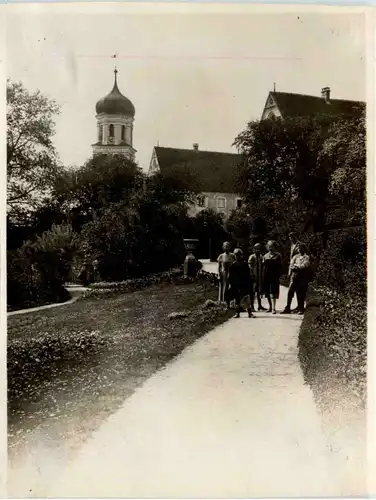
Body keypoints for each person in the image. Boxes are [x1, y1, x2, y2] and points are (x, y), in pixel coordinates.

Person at [282, 242, 311, 315]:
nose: (299, 249)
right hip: (294, 276)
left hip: (302, 276)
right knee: (290, 291)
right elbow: (291, 265)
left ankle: (301, 308)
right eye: (298, 248)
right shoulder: (295, 257)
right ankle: (288, 307)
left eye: (301, 248)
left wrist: (296, 266)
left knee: (300, 292)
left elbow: (304, 265)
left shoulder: (306, 257)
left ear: (304, 249)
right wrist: (295, 267)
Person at [228, 248, 255, 318]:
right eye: (236, 255)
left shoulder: (245, 264)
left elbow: (248, 275)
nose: (238, 257)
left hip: (244, 283)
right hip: (236, 284)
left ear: (242, 256)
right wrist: (230, 284)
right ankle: (237, 313)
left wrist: (249, 283)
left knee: (247, 298)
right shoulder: (233, 265)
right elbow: (230, 276)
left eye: (239, 255)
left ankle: (250, 313)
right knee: (237, 299)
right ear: (235, 256)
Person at [262, 240, 283, 314]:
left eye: (272, 246)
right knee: (267, 292)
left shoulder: (278, 255)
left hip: (274, 276)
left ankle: (274, 308)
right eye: (269, 246)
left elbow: (281, 267)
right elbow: (263, 267)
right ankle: (270, 307)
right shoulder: (265, 256)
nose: (270, 248)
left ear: (275, 247)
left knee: (273, 292)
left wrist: (279, 275)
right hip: (266, 276)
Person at [285, 231, 302, 313]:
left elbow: (301, 257)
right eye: (290, 237)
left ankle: (297, 307)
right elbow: (291, 260)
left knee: (296, 290)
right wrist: (289, 272)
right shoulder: (292, 246)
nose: (292, 238)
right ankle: (289, 307)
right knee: (291, 290)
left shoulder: (300, 245)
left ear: (296, 236)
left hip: (299, 271)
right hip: (292, 270)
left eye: (293, 236)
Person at [248, 243, 267, 311]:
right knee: (253, 292)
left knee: (259, 292)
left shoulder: (261, 257)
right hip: (253, 276)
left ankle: (260, 306)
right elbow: (250, 267)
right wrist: (252, 275)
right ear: (254, 249)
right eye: (256, 249)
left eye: (259, 248)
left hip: (259, 277)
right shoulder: (252, 257)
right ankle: (252, 306)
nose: (258, 250)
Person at [217, 241, 235, 307]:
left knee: (231, 288)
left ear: (230, 247)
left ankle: (232, 303)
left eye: (228, 246)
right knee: (225, 287)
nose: (226, 248)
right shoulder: (221, 256)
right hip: (224, 273)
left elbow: (235, 264)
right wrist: (219, 275)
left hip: (232, 273)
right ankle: (224, 303)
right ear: (223, 247)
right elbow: (219, 267)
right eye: (225, 246)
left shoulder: (233, 255)